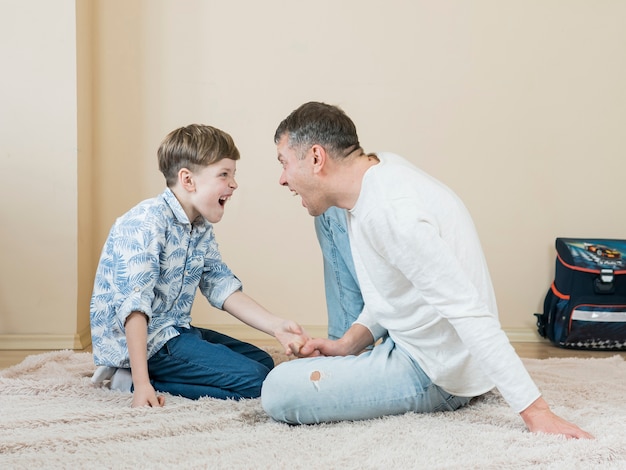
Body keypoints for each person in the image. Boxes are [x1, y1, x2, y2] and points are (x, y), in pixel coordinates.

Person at [261, 102, 593, 439]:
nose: (282, 178)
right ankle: (350, 361)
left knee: (278, 390)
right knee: (328, 215)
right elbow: (391, 285)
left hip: (436, 371)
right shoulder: (376, 170)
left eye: (284, 163)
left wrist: (538, 413)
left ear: (317, 158)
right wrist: (346, 344)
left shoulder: (394, 216)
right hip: (411, 333)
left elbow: (469, 313)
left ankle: (357, 374)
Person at [90, 124, 308, 407]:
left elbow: (222, 286)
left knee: (263, 361)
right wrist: (142, 385)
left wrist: (276, 326)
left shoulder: (199, 227)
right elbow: (134, 307)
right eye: (224, 174)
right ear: (188, 180)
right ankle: (130, 379)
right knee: (256, 381)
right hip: (148, 343)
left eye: (233, 174)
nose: (234, 184)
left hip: (176, 331)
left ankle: (148, 375)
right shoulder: (145, 222)